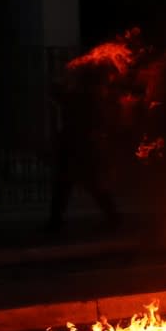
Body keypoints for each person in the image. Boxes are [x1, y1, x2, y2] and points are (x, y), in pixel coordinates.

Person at [44, 62, 126, 232]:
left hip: (81, 149)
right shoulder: (88, 95)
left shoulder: (85, 97)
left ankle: (114, 218)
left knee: (86, 185)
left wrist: (59, 81)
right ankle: (55, 222)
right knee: (68, 185)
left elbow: (58, 94)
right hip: (78, 148)